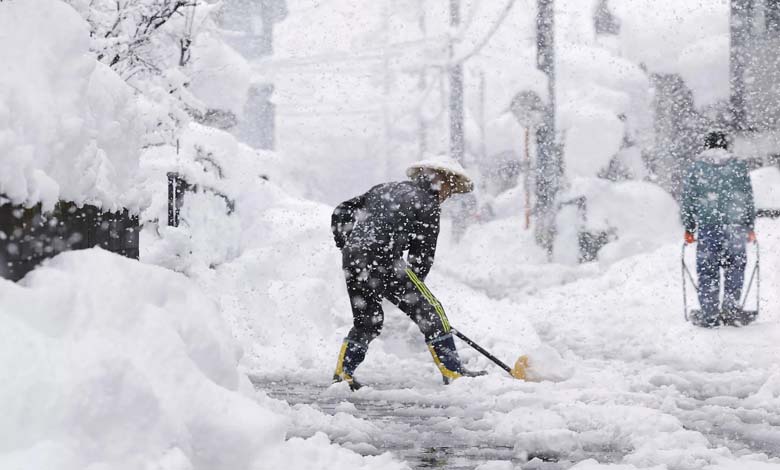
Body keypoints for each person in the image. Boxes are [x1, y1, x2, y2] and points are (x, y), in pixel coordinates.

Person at [330, 156, 486, 390]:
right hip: (384, 259)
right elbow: (422, 256)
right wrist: (412, 293)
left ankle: (344, 373)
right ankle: (453, 372)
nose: (448, 197)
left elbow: (342, 211)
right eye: (450, 190)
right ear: (441, 181)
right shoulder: (428, 204)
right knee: (433, 312)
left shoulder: (384, 188)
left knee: (367, 321)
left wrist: (349, 244)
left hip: (353, 258)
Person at [681, 131, 757, 327]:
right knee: (735, 269)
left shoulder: (697, 168)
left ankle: (709, 314)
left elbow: (689, 199)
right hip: (735, 227)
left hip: (708, 227)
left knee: (707, 271)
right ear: (726, 146)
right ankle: (731, 311)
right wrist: (749, 226)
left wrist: (689, 227)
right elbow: (747, 198)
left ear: (706, 146)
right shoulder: (738, 166)